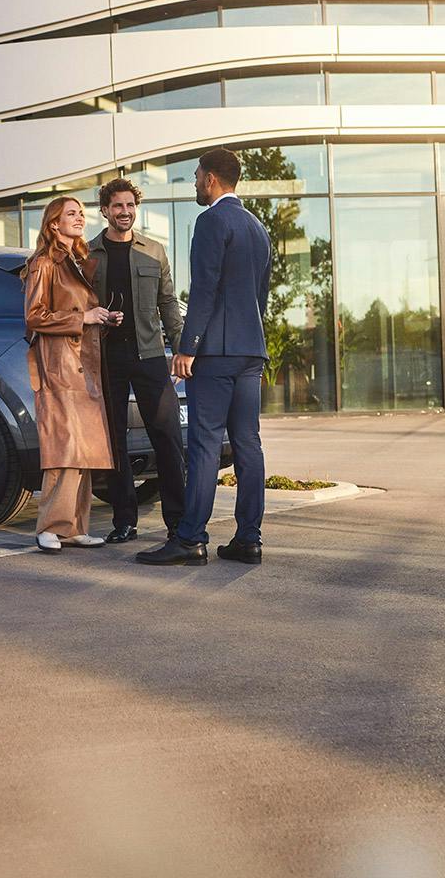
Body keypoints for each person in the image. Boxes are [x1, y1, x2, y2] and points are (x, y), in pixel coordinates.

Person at [135, 148, 271, 567]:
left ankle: (191, 538)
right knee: (248, 443)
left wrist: (187, 347)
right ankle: (248, 539)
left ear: (211, 179)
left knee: (204, 444)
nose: (195, 183)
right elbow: (260, 296)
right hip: (250, 350)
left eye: (196, 176)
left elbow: (205, 288)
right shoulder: (257, 227)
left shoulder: (211, 221)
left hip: (215, 353)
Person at [83, 177, 186, 544]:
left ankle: (178, 522)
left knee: (167, 436)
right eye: (117, 206)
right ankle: (124, 521)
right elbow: (78, 304)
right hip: (107, 357)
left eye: (129, 205)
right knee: (115, 441)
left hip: (150, 355)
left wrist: (181, 348)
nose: (124, 211)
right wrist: (98, 317)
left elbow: (168, 303)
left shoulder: (154, 251)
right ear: (105, 210)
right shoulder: (88, 254)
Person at [23, 197, 117, 553]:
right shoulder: (44, 263)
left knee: (84, 449)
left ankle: (75, 527)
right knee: (63, 446)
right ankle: (49, 526)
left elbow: (81, 312)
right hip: (59, 364)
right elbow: (34, 316)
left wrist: (101, 317)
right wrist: (83, 318)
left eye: (81, 213)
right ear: (54, 224)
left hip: (84, 362)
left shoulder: (77, 260)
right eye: (71, 214)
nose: (79, 218)